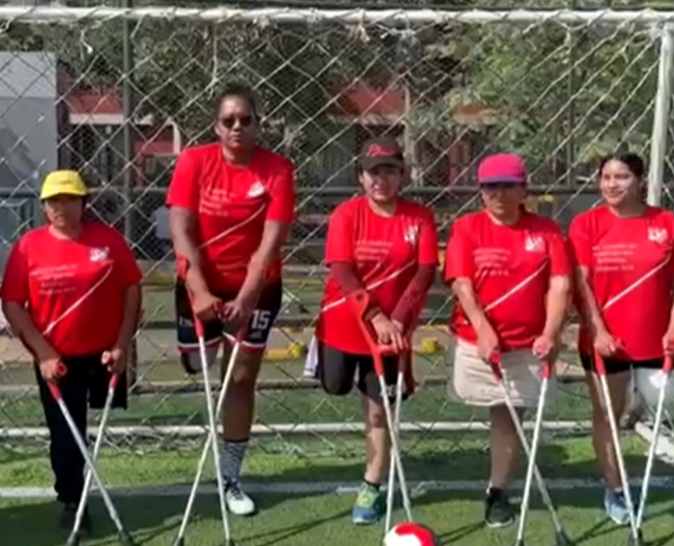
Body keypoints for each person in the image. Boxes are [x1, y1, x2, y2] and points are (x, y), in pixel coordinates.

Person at [166, 83, 296, 516]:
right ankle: (198, 348)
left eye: (246, 119)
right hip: (201, 281)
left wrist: (245, 298)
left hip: (255, 287)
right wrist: (199, 290)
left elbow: (270, 242)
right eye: (229, 120)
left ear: (258, 124)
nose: (237, 127)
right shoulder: (193, 162)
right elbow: (182, 230)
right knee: (198, 365)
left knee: (238, 379)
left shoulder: (277, 169)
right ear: (216, 126)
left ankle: (231, 476)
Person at [0, 169, 142, 532]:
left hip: (105, 354)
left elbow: (131, 289)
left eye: (69, 199)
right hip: (57, 359)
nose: (61, 206)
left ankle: (87, 488)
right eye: (53, 201)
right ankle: (72, 499)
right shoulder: (28, 247)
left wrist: (122, 344)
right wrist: (44, 354)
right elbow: (13, 304)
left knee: (96, 427)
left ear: (83, 203)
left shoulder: (107, 240)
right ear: (44, 206)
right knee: (66, 435)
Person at [443, 152, 571, 529]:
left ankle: (496, 491)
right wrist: (483, 328)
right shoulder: (466, 228)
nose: (497, 193)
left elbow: (560, 284)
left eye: (507, 185)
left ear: (523, 190)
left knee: (509, 417)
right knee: (481, 407)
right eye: (489, 186)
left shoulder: (546, 231)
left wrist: (550, 333)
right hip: (474, 342)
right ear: (481, 192)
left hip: (527, 346)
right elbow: (461, 284)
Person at [315, 138, 438, 525]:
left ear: (402, 175)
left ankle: (372, 485)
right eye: (373, 171)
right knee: (334, 385)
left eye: (389, 170)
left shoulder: (419, 218)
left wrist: (398, 318)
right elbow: (342, 270)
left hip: (390, 334)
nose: (380, 179)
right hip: (345, 323)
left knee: (379, 411)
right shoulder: (346, 215)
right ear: (360, 177)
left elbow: (424, 271)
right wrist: (375, 315)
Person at [569, 152, 674, 525]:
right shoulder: (586, 224)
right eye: (605, 177)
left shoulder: (665, 222)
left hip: (656, 341)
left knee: (660, 398)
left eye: (621, 176)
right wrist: (599, 331)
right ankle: (616, 487)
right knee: (608, 412)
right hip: (607, 342)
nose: (611, 184)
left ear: (639, 180)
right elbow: (582, 284)